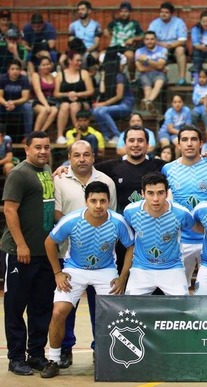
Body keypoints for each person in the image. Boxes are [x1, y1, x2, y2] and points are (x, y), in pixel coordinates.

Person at [40, 182, 133, 378]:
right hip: (75, 269)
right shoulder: (72, 220)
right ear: (86, 202)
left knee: (114, 315)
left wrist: (122, 277)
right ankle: (54, 359)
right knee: (59, 311)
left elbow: (131, 246)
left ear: (109, 202)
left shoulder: (118, 221)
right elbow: (49, 242)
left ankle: (108, 357)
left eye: (102, 201)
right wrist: (58, 273)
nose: (98, 205)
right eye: (93, 201)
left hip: (105, 271)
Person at [52, 140, 117, 368]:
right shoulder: (59, 179)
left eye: (87, 154)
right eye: (77, 155)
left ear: (93, 157)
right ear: (69, 157)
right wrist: (81, 229)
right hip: (68, 255)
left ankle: (99, 349)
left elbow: (112, 215)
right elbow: (57, 214)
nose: (82, 159)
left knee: (100, 309)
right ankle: (65, 349)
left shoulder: (106, 182)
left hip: (102, 258)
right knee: (67, 308)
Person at [2, 131, 55, 376]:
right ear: (27, 149)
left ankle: (36, 354)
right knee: (15, 306)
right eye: (38, 148)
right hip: (19, 253)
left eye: (46, 147)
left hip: (44, 253)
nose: (43, 151)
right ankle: (15, 358)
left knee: (41, 306)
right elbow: (10, 210)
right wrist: (21, 245)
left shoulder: (45, 171)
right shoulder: (19, 173)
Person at [162, 125, 207, 286]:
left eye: (193, 139)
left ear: (201, 143)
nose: (189, 143)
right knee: (179, 289)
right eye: (184, 139)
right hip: (180, 239)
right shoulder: (168, 169)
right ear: (178, 144)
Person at [122, 172, 197, 295]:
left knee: (183, 309)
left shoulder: (181, 213)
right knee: (130, 309)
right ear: (143, 193)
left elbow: (197, 230)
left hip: (172, 268)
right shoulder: (130, 211)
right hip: (141, 268)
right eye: (150, 193)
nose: (155, 199)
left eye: (160, 193)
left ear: (167, 193)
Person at [93, 48, 134, 144]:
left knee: (102, 110)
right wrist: (103, 76)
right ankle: (107, 136)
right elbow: (102, 91)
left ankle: (118, 136)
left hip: (125, 106)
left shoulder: (120, 76)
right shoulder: (107, 77)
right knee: (96, 111)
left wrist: (103, 104)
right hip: (114, 106)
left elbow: (119, 96)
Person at [54, 51, 95, 144]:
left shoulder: (84, 73)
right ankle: (59, 136)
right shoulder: (60, 74)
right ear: (69, 61)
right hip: (65, 101)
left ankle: (78, 133)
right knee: (65, 106)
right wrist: (67, 94)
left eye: (80, 61)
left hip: (82, 102)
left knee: (74, 106)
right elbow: (56, 93)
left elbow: (91, 91)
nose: (79, 63)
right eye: (77, 61)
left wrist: (77, 94)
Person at [148, 2, 188, 85]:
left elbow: (182, 40)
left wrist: (170, 46)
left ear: (171, 13)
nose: (163, 14)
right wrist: (161, 45)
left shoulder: (179, 22)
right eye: (162, 12)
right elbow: (149, 38)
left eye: (166, 12)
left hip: (174, 47)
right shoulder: (154, 23)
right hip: (159, 47)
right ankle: (155, 80)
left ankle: (182, 79)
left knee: (180, 50)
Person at [105, 2, 143, 82]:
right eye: (122, 11)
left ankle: (132, 78)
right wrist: (108, 34)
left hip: (126, 47)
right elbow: (106, 30)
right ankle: (106, 79)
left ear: (129, 12)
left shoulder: (134, 23)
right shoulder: (114, 23)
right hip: (114, 46)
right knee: (102, 56)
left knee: (130, 56)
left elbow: (142, 35)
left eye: (126, 12)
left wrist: (133, 39)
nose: (123, 14)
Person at [0, 59, 33, 141]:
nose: (15, 71)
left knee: (28, 107)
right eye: (12, 69)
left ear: (20, 70)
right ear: (8, 70)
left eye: (17, 69)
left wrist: (13, 102)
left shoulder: (24, 79)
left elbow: (25, 98)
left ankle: (28, 136)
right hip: (4, 105)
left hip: (18, 105)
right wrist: (6, 103)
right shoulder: (2, 78)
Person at [135, 30, 167, 113]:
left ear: (156, 40)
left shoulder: (163, 50)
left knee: (158, 83)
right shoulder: (139, 51)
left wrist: (147, 60)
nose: (150, 41)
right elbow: (140, 68)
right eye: (147, 39)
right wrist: (157, 66)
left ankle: (147, 100)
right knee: (147, 88)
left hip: (159, 74)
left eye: (152, 39)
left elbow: (160, 65)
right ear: (144, 41)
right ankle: (149, 102)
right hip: (145, 75)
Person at [30, 56, 58, 133]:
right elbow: (38, 91)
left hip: (51, 101)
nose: (46, 67)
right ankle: (34, 133)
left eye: (48, 64)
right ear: (39, 66)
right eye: (43, 65)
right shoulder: (36, 75)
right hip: (37, 101)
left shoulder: (53, 76)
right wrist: (46, 105)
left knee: (55, 110)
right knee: (44, 110)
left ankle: (41, 132)